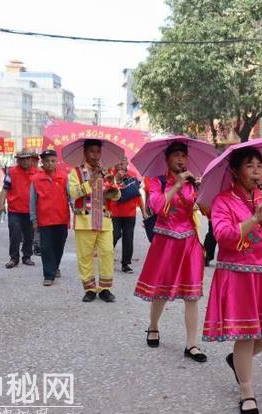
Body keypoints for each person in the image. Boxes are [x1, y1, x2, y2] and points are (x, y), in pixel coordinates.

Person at [202, 147, 262, 414]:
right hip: (238, 274)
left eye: (259, 166)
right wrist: (254, 217)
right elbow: (224, 236)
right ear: (235, 171)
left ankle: (239, 362)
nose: (256, 171)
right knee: (247, 333)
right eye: (249, 165)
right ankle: (246, 391)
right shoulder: (222, 201)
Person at [134, 142, 206, 362]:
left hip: (189, 242)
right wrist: (175, 186)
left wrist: (201, 192)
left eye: (183, 156)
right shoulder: (158, 181)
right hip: (165, 241)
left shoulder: (192, 183)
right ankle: (153, 326)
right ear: (167, 159)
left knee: (192, 295)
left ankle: (192, 344)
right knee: (160, 291)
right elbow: (156, 206)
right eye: (176, 155)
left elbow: (202, 208)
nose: (181, 160)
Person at [68, 139, 120, 303]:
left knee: (107, 253)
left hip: (105, 221)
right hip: (84, 221)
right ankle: (90, 289)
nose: (95, 155)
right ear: (85, 152)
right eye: (92, 151)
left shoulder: (107, 172)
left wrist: (112, 184)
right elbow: (74, 193)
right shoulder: (75, 172)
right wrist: (91, 181)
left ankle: (105, 289)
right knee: (85, 256)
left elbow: (117, 197)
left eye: (98, 152)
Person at [29, 150, 70, 287]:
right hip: (44, 220)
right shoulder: (36, 179)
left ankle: (55, 266)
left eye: (53, 161)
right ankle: (48, 275)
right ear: (42, 163)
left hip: (61, 218)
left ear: (56, 161)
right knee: (46, 247)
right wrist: (34, 219)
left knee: (59, 246)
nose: (50, 164)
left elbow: (71, 196)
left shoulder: (64, 177)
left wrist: (76, 209)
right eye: (47, 161)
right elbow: (33, 201)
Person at [0, 150, 38, 268]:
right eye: (22, 159)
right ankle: (14, 258)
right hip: (14, 210)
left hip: (31, 211)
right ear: (18, 160)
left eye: (27, 158)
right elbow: (5, 188)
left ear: (31, 159)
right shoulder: (12, 172)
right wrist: (1, 204)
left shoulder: (37, 173)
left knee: (29, 235)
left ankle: (27, 257)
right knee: (15, 234)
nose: (25, 161)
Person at [107, 157, 146, 274]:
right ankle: (107, 256)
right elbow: (106, 192)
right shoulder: (109, 176)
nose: (120, 165)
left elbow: (137, 195)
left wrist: (143, 211)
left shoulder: (132, 176)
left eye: (122, 163)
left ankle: (126, 264)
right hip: (115, 212)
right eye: (117, 163)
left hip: (130, 213)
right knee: (115, 235)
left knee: (128, 238)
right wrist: (115, 179)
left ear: (126, 164)